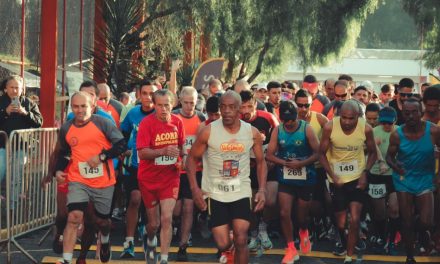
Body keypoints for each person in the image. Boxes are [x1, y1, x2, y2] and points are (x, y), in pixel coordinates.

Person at [186, 91, 267, 264]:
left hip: (241, 190)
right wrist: (195, 189)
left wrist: (261, 189)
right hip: (216, 192)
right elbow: (191, 159)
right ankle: (229, 250)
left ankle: (237, 247)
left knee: (241, 238)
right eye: (223, 107)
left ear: (239, 109)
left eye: (231, 107)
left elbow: (261, 162)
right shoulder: (209, 132)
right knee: (223, 243)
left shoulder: (251, 133)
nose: (227, 111)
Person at [54, 91, 127, 264]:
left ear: (92, 106)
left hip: (103, 182)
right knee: (74, 217)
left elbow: (121, 145)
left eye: (83, 106)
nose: (79, 110)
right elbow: (64, 153)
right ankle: (66, 260)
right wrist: (58, 171)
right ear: (71, 108)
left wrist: (102, 157)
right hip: (78, 180)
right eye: (75, 107)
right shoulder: (66, 128)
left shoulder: (104, 123)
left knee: (102, 222)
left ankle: (106, 239)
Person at [319, 100, 377, 264]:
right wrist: (332, 175)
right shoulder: (330, 127)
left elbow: (373, 153)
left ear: (358, 116)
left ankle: (349, 256)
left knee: (355, 219)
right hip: (336, 179)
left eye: (351, 118)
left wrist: (365, 172)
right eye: (343, 117)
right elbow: (321, 154)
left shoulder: (366, 128)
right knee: (341, 223)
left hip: (357, 177)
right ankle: (346, 242)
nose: (346, 122)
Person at [386, 98, 440, 264]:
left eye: (414, 112)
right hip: (404, 179)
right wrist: (396, 167)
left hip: (425, 178)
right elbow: (389, 157)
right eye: (406, 113)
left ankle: (422, 232)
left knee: (426, 222)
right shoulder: (397, 134)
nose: (410, 116)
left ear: (421, 113)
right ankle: (410, 256)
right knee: (406, 220)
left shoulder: (434, 131)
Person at [266, 100, 320, 263]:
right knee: (284, 213)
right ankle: (290, 248)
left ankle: (304, 231)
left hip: (306, 177)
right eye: (285, 120)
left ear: (297, 117)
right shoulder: (278, 130)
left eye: (292, 120)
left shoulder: (307, 129)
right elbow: (269, 154)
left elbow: (318, 153)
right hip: (286, 177)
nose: (289, 124)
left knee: (301, 216)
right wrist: (285, 163)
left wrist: (301, 164)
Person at [136, 89, 185, 264]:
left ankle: (163, 258)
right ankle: (149, 238)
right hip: (148, 178)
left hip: (170, 177)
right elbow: (142, 153)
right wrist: (163, 151)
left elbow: (182, 148)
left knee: (167, 217)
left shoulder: (178, 122)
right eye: (159, 105)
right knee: (154, 224)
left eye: (167, 105)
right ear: (154, 105)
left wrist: (182, 160)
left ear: (173, 104)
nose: (163, 109)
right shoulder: (146, 124)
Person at [119, 80, 157, 258]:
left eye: (152, 94)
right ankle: (129, 241)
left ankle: (149, 236)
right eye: (145, 93)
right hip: (136, 165)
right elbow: (123, 133)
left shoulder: (161, 114)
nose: (148, 97)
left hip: (156, 168)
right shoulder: (133, 113)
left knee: (151, 206)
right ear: (139, 95)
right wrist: (123, 149)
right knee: (134, 199)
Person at [239, 90, 279, 252]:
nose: (246, 110)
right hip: (247, 169)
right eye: (243, 107)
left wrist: (272, 157)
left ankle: (263, 228)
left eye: (250, 106)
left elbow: (279, 138)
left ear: (256, 105)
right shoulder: (236, 120)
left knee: (270, 201)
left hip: (268, 165)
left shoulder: (268, 118)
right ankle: (254, 233)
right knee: (251, 204)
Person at [172, 86, 206, 261]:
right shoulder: (173, 117)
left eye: (192, 103)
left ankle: (183, 246)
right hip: (174, 170)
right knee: (175, 210)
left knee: (188, 208)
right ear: (180, 101)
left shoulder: (201, 118)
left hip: (194, 171)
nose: (188, 106)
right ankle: (174, 227)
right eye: (185, 102)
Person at [0, 75, 43, 184]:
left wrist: (26, 113)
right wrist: (5, 112)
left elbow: (39, 122)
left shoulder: (29, 103)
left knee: (17, 173)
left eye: (17, 88)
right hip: (1, 144)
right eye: (11, 87)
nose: (14, 90)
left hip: (20, 145)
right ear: (6, 88)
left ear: (22, 89)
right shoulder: (1, 101)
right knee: (1, 169)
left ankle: (13, 200)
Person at [368, 107, 399, 255]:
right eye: (384, 122)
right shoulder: (374, 132)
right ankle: (382, 236)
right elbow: (369, 148)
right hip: (376, 175)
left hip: (394, 175)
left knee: (394, 209)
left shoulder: (400, 131)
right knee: (380, 212)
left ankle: (391, 240)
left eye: (390, 123)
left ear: (395, 121)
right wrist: (379, 159)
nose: (387, 126)